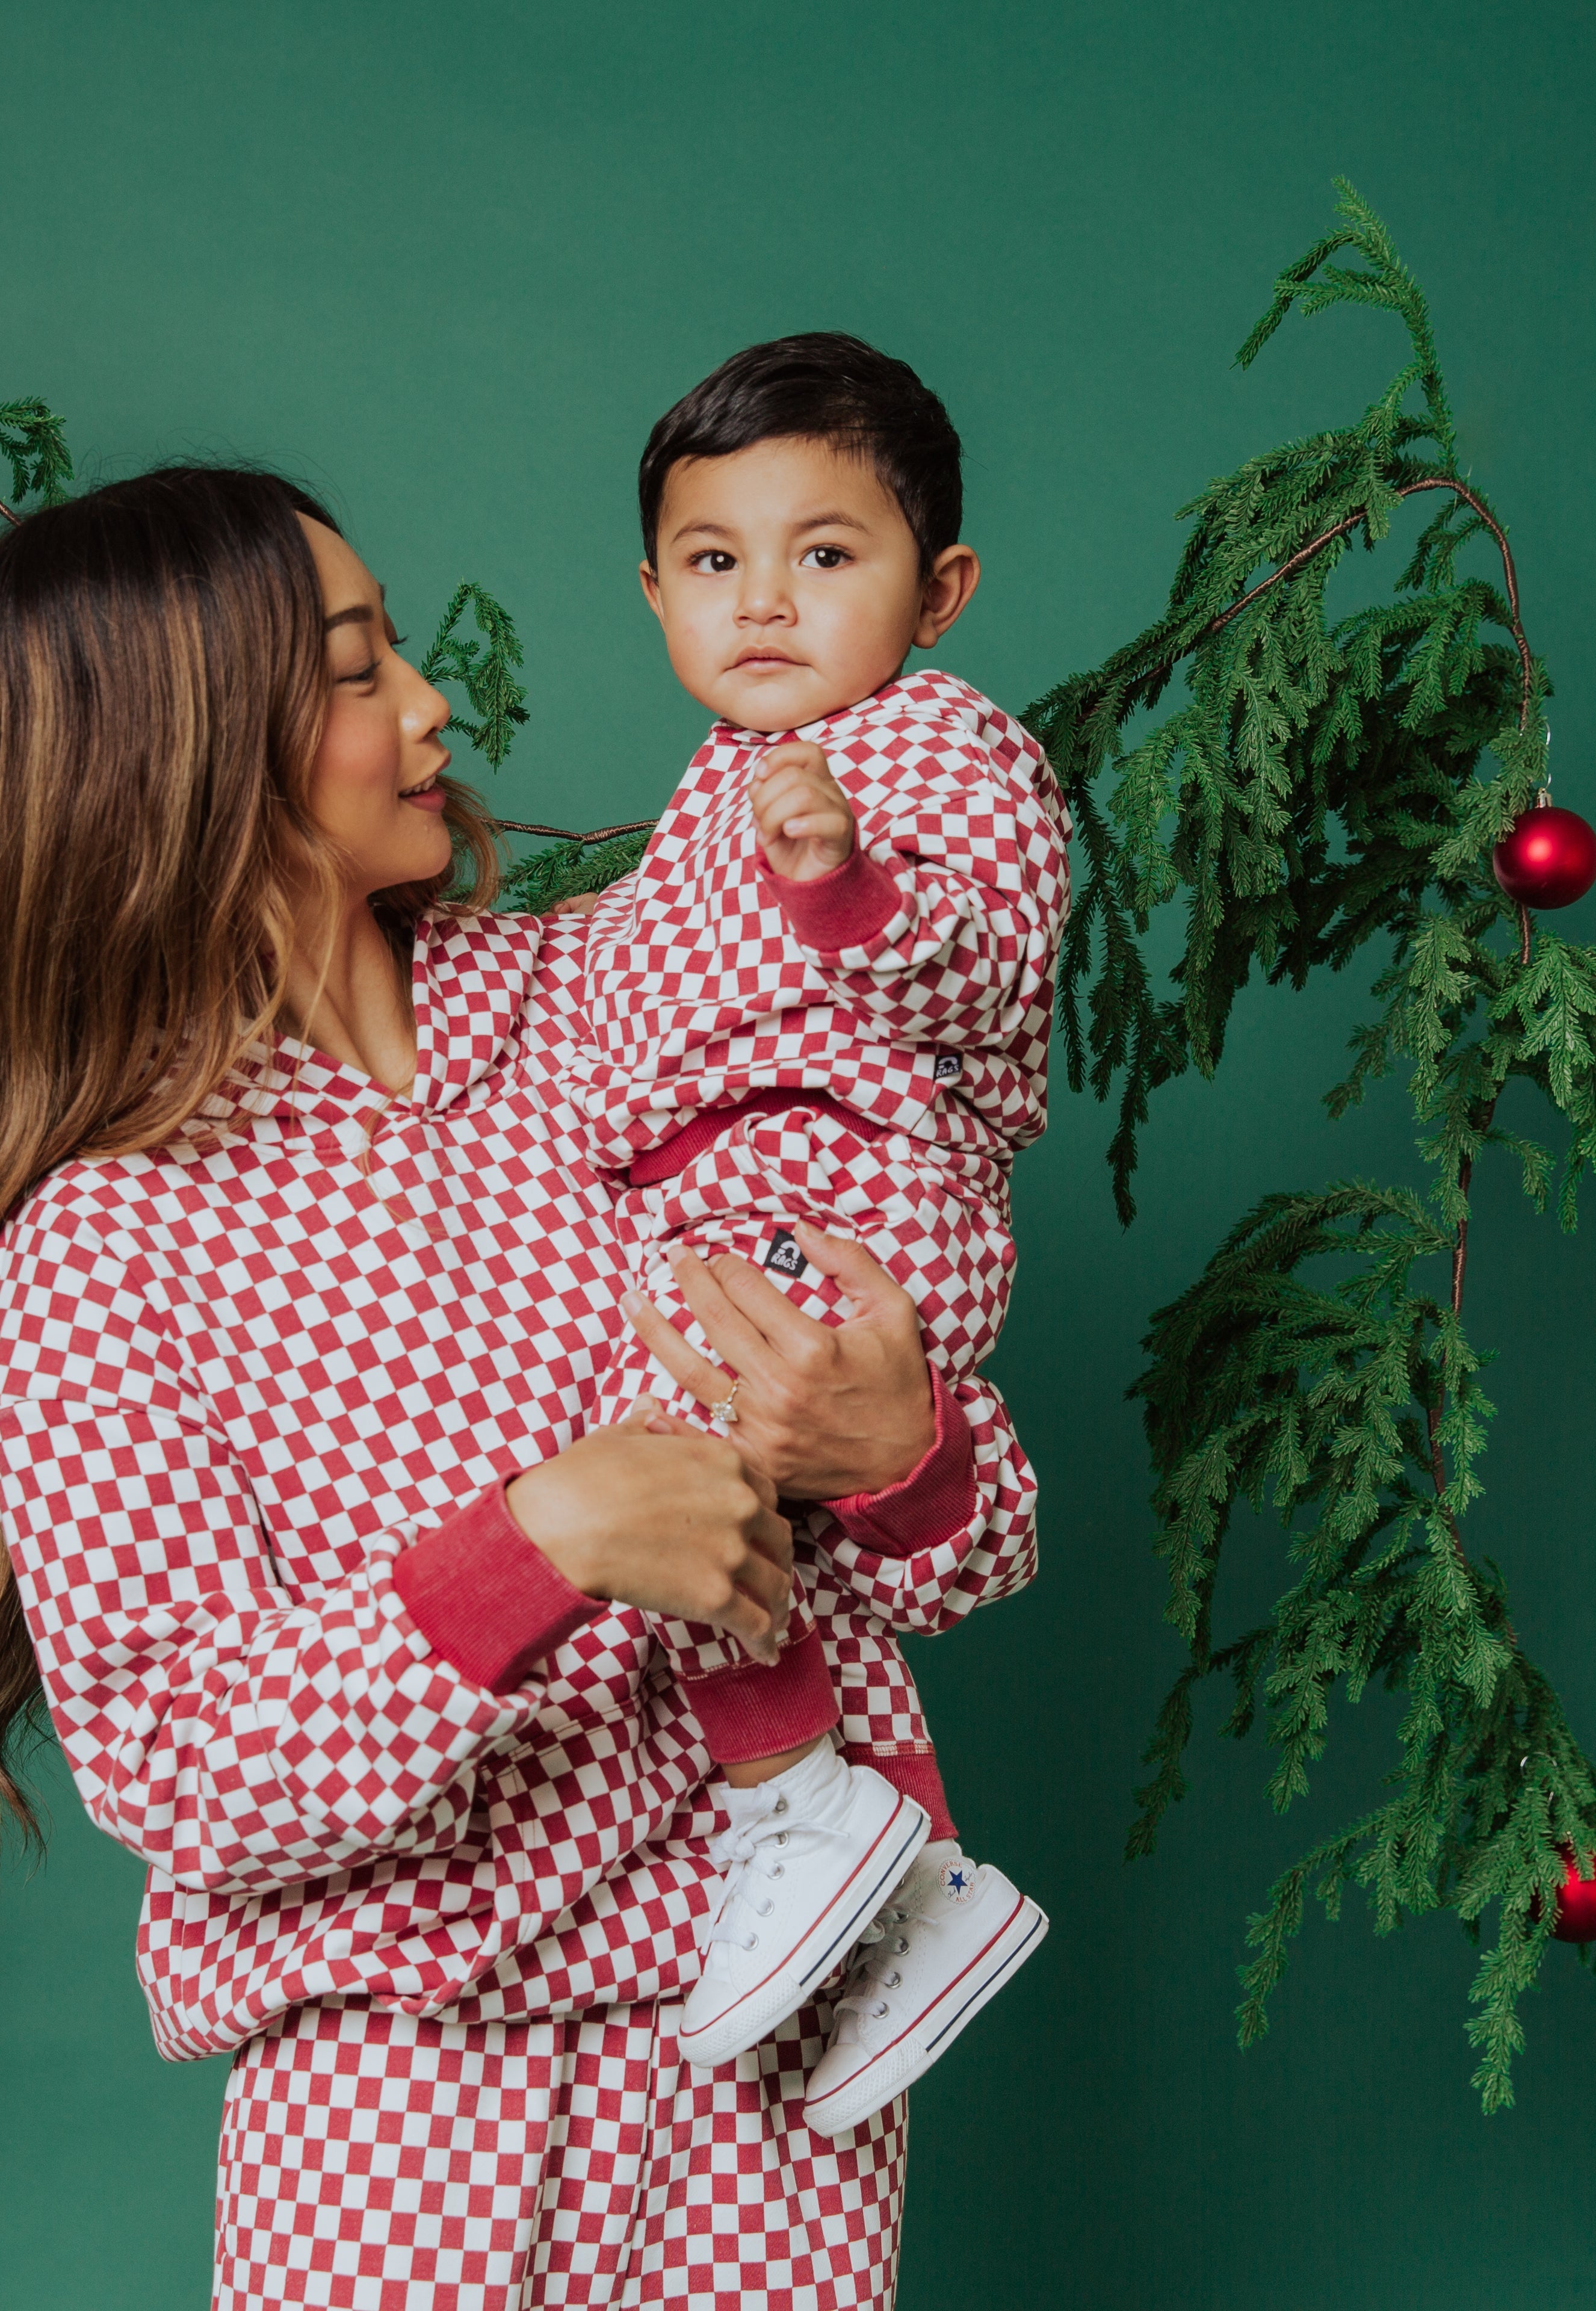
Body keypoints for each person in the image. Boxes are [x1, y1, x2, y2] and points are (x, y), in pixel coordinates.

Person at [0, 463, 1038, 2308]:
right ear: (189, 753)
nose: (431, 704)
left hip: (785, 2058)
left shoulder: (628, 1012)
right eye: (352, 667)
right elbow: (180, 1756)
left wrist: (909, 1454)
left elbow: (969, 1548)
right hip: (402, 2108)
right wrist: (542, 1541)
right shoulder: (105, 1245)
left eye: (393, 645)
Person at [570, 334, 1062, 2132]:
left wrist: (844, 879)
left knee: (675, 1488)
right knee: (666, 1498)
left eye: (825, 555)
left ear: (941, 594)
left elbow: (990, 961)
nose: (764, 601)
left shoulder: (939, 743)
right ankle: (905, 1890)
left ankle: (807, 1811)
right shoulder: (717, 778)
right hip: (734, 1197)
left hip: (845, 1197)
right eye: (716, 562)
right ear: (654, 591)